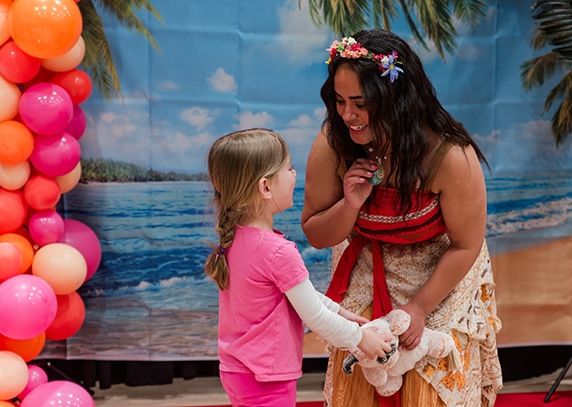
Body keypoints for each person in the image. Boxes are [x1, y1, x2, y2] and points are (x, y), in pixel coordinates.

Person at [301, 29, 503, 407]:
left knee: (430, 386)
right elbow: (315, 232)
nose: (347, 115)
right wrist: (349, 205)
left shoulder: (450, 156)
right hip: (368, 260)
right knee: (359, 371)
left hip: (441, 270)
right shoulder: (333, 141)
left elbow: (466, 244)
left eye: (360, 103)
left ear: (395, 98)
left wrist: (420, 308)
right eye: (339, 101)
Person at [204, 128, 393, 407]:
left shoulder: (237, 239)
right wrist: (360, 338)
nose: (294, 175)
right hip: (267, 377)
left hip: (237, 370)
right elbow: (313, 315)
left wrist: (342, 313)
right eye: (289, 168)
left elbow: (299, 297)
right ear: (265, 187)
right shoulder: (278, 252)